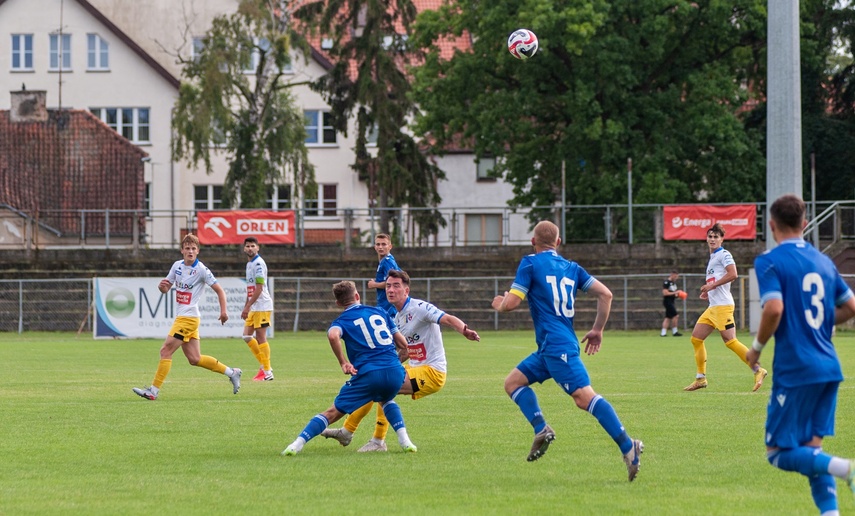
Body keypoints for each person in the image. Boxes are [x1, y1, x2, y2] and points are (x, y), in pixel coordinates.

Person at [491, 221, 643, 481]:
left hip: (556, 346)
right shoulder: (572, 268)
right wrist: (598, 329)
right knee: (513, 383)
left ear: (533, 241)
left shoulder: (529, 263)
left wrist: (500, 304)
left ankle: (629, 447)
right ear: (558, 243)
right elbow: (606, 294)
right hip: (552, 346)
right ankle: (541, 429)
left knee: (584, 398)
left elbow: (512, 303)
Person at [747, 194, 855, 514]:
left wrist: (756, 349)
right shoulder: (823, 261)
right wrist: (822, 321)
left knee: (777, 452)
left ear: (771, 225)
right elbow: (850, 306)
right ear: (805, 223)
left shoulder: (769, 260)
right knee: (812, 452)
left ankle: (847, 468)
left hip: (796, 368)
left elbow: (774, 308)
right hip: (829, 367)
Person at [320, 269, 481, 452]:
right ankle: (350, 432)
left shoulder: (420, 308)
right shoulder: (396, 318)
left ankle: (374, 440)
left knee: (379, 386)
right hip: (416, 369)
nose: (390, 290)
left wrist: (464, 330)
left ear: (406, 290)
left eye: (396, 286)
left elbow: (448, 319)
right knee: (375, 384)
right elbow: (406, 351)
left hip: (433, 372)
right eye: (388, 286)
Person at [281, 280, 417, 456]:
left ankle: (295, 445)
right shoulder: (380, 311)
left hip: (368, 373)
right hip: (394, 370)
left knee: (332, 412)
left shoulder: (342, 320)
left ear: (338, 303)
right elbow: (403, 344)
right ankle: (405, 442)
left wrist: (343, 362)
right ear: (357, 296)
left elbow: (332, 335)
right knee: (386, 399)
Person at [133, 233, 241, 400]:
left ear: (198, 251)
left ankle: (153, 391)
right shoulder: (177, 266)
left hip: (188, 318)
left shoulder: (202, 270)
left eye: (194, 248)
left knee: (165, 350)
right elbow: (166, 287)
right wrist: (162, 287)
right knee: (194, 359)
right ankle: (232, 372)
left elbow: (220, 290)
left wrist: (223, 311)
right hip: (183, 317)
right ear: (182, 250)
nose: (190, 251)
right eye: (187, 248)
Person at [683, 223, 768, 392]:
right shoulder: (713, 257)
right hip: (713, 306)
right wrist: (709, 291)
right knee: (696, 339)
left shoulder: (724, 254)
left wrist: (712, 287)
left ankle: (758, 369)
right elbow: (717, 280)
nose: (712, 239)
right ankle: (701, 378)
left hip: (722, 307)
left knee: (730, 341)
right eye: (710, 236)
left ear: (722, 239)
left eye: (716, 237)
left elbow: (733, 274)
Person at [241, 237, 275, 382]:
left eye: (252, 246)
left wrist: (248, 306)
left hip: (262, 305)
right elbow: (250, 288)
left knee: (261, 337)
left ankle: (267, 371)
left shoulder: (259, 264)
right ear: (244, 249)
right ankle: (264, 365)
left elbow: (259, 288)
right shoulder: (249, 264)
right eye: (247, 246)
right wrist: (246, 305)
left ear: (258, 248)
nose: (250, 248)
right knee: (247, 336)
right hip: (254, 306)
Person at [367, 233, 400, 313]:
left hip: (388, 306)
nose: (380, 247)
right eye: (378, 244)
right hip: (384, 303)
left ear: (390, 246)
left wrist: (374, 284)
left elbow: (392, 283)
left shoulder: (387, 262)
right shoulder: (384, 261)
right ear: (375, 247)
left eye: (384, 244)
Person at [661, 270, 683, 337]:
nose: (676, 278)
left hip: (672, 301)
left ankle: (663, 332)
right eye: (675, 276)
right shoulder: (667, 282)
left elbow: (673, 293)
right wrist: (676, 292)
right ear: (672, 275)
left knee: (668, 317)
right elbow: (665, 293)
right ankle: (674, 331)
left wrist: (678, 295)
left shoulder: (673, 283)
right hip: (667, 301)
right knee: (675, 316)